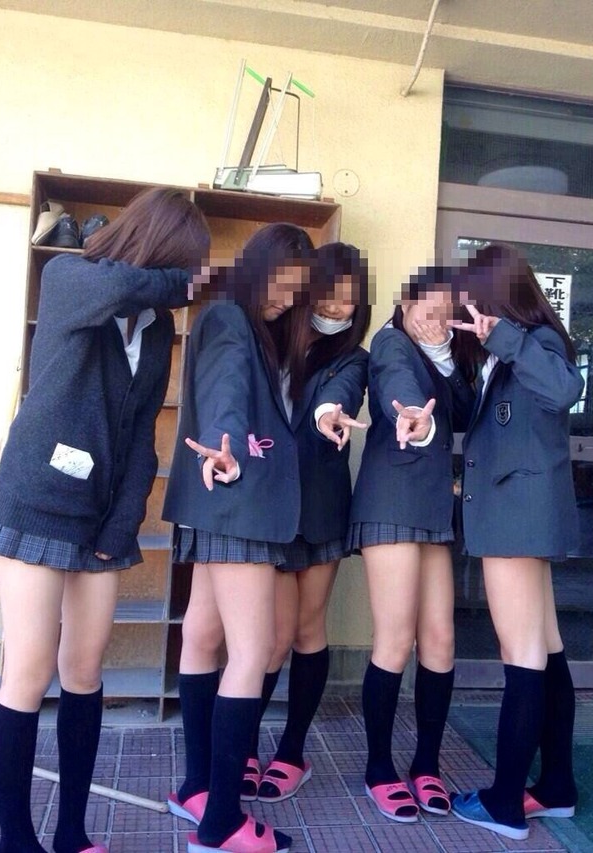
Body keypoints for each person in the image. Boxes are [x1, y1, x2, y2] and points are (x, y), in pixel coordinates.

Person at [0, 188, 211, 853]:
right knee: (28, 673)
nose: (185, 283)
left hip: (102, 521)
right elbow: (120, 282)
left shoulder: (154, 326)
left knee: (85, 672)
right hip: (35, 504)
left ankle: (71, 833)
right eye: (183, 264)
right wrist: (189, 281)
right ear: (155, 249)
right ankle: (16, 839)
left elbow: (142, 433)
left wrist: (123, 525)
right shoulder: (70, 277)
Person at [162, 223, 314, 853]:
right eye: (280, 281)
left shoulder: (243, 322)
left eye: (296, 288)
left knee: (202, 637)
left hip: (220, 505)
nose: (285, 297)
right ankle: (222, 820)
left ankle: (197, 788)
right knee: (249, 654)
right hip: (239, 502)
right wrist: (226, 448)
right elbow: (224, 393)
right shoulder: (230, 318)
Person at [449, 243, 584, 842]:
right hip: (516, 515)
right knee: (546, 648)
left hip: (516, 518)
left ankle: (505, 801)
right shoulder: (509, 352)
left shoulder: (536, 342)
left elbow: (564, 389)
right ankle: (556, 787)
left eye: (473, 300)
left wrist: (502, 339)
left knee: (522, 653)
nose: (469, 312)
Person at [243, 243, 371, 804]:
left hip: (320, 504)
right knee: (272, 637)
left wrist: (327, 415)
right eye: (328, 295)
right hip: (270, 505)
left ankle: (292, 752)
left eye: (349, 300)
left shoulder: (354, 358)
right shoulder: (269, 339)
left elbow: (339, 397)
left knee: (307, 630)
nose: (336, 308)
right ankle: (244, 744)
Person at [347, 267, 475, 823]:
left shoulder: (445, 352)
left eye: (447, 312)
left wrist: (445, 354)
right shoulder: (390, 342)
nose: (436, 319)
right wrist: (415, 419)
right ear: (405, 305)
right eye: (428, 308)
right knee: (395, 639)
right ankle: (379, 768)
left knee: (440, 640)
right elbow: (396, 384)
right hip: (391, 501)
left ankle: (427, 765)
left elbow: (466, 410)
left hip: (432, 509)